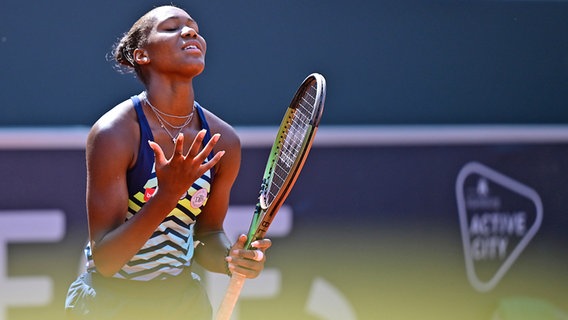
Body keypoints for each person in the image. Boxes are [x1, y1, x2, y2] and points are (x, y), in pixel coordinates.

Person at [64, 5, 271, 319]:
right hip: (109, 303)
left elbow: (207, 235)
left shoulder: (224, 140)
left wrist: (231, 258)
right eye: (172, 27)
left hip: (181, 303)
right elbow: (107, 260)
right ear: (141, 55)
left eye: (193, 27)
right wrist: (168, 194)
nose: (190, 32)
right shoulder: (115, 134)